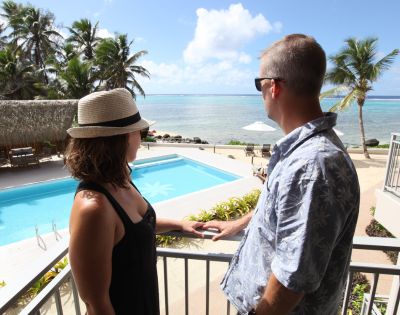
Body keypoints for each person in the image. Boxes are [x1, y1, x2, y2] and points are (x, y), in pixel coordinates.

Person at [203, 34, 360, 315]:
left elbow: (291, 281)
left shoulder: (311, 167)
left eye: (259, 84)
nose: (260, 93)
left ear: (274, 87)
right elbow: (287, 210)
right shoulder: (305, 155)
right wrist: (241, 222)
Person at [65, 88, 204, 315]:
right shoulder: (94, 208)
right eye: (139, 132)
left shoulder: (121, 181)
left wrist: (179, 224)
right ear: (119, 139)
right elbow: (96, 303)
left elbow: (135, 228)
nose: (141, 138)